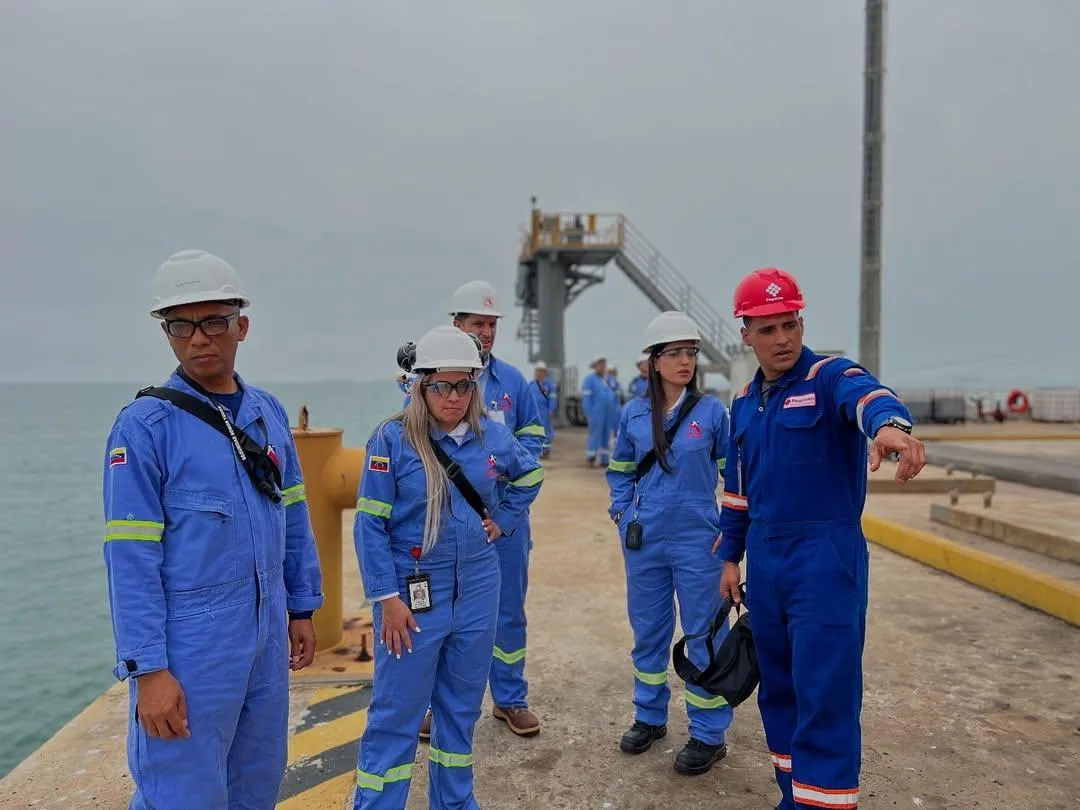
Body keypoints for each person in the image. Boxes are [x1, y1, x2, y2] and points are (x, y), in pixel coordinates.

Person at [101, 249, 323, 809]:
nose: (200, 338)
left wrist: (301, 607)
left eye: (215, 322)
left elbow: (293, 516)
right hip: (194, 650)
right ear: (167, 334)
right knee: (182, 792)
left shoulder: (268, 414)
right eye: (182, 325)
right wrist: (148, 671)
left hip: (267, 639)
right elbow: (130, 561)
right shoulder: (145, 427)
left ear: (241, 327)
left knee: (257, 782)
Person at [715, 267, 926, 810]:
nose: (783, 339)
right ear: (746, 334)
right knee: (779, 689)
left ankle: (825, 802)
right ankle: (795, 795)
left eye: (790, 324)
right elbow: (738, 492)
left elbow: (868, 396)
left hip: (825, 560)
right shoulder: (743, 404)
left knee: (825, 691)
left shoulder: (830, 376)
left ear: (801, 322)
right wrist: (731, 558)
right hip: (765, 558)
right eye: (768, 329)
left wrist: (888, 425)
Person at [352, 325, 543, 808]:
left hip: (479, 587)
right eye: (441, 385)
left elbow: (531, 474)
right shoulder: (392, 440)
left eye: (463, 385)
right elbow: (369, 527)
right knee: (397, 715)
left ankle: (455, 803)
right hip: (413, 596)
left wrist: (503, 520)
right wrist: (386, 599)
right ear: (420, 385)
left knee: (460, 711)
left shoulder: (493, 436)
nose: (453, 397)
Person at [606, 311, 734, 776]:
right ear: (653, 362)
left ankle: (708, 732)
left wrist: (733, 532)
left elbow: (733, 474)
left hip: (699, 537)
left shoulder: (712, 412)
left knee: (703, 633)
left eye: (691, 353)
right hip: (644, 538)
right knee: (649, 630)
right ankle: (650, 716)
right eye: (674, 353)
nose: (685, 361)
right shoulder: (635, 413)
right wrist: (621, 513)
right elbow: (620, 469)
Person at [433, 279, 546, 739]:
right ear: (456, 325)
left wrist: (504, 475)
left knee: (508, 612)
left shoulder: (513, 383)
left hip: (504, 524)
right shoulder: (430, 379)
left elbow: (536, 440)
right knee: (440, 613)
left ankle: (510, 698)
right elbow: (414, 443)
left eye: (492, 324)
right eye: (477, 323)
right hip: (445, 526)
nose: (486, 332)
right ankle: (433, 702)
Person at [581, 354, 616, 467]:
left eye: (603, 365)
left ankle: (604, 459)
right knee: (595, 434)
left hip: (608, 412)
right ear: (595, 366)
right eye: (600, 365)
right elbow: (586, 398)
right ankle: (591, 456)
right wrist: (588, 413)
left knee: (606, 434)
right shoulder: (589, 379)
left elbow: (613, 394)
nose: (602, 367)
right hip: (596, 412)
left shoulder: (606, 379)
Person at [530, 361, 558, 457]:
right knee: (534, 431)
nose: (539, 373)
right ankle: (537, 450)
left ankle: (546, 450)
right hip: (534, 413)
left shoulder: (550, 385)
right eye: (537, 371)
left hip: (545, 412)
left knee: (546, 431)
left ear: (545, 372)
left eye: (541, 371)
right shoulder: (531, 384)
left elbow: (553, 398)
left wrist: (551, 409)